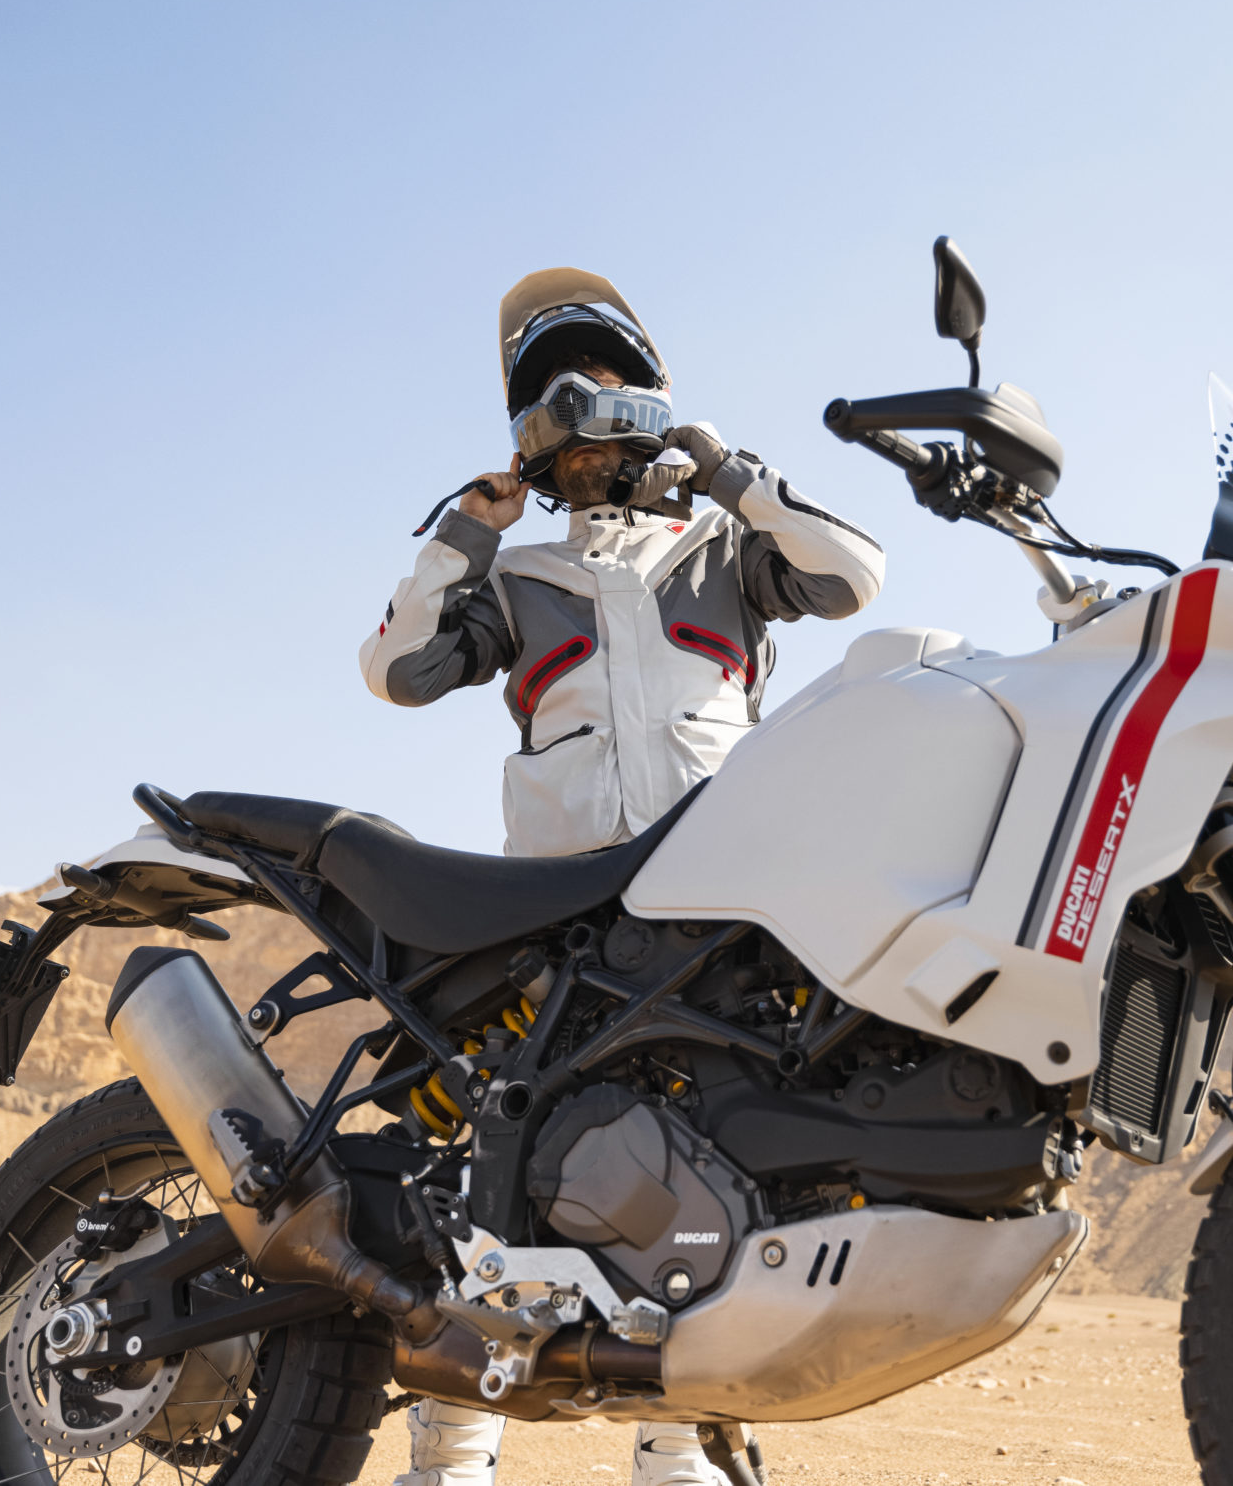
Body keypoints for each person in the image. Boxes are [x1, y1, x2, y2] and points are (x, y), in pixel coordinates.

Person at [358, 267, 885, 1486]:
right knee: (496, 1157)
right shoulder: (516, 580)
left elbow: (856, 577)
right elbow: (393, 669)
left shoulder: (726, 552)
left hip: (717, 909)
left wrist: (732, 470)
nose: (580, 399)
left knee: (717, 1169)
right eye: (552, 386)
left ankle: (680, 1446)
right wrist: (469, 529)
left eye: (606, 376)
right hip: (551, 913)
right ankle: (451, 1448)